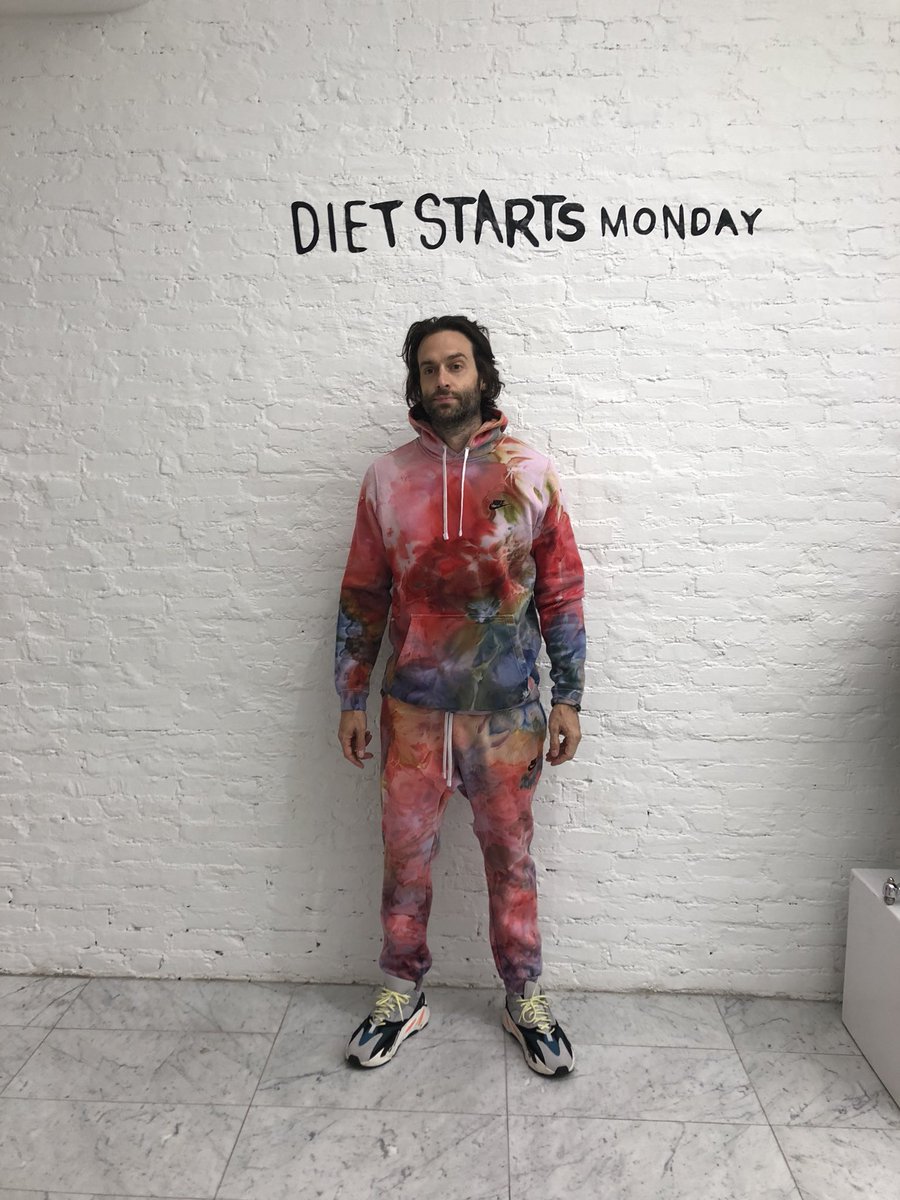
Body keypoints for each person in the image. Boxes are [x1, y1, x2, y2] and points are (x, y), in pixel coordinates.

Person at [334, 314, 586, 1077]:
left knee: (512, 860)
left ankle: (524, 996)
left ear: (482, 374)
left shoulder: (531, 473)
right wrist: (350, 696)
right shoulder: (386, 479)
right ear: (416, 382)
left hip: (508, 716)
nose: (442, 380)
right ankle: (401, 991)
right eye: (428, 368)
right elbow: (363, 593)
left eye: (456, 365)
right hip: (412, 711)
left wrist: (569, 695)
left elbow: (562, 590)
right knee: (405, 859)